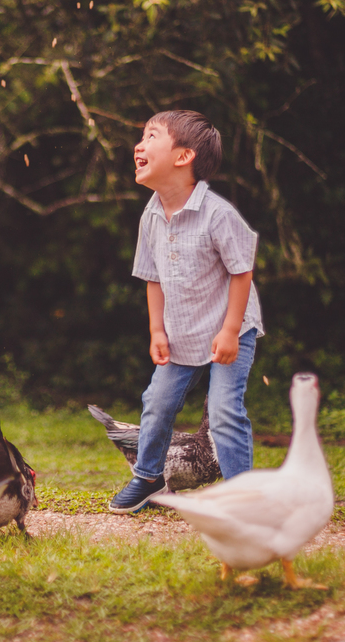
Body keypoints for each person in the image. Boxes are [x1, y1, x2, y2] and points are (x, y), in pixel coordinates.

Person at [110, 110, 264, 513]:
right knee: (157, 402)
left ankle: (241, 497)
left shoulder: (217, 214)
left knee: (225, 411)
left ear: (183, 157)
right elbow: (152, 277)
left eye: (151, 137)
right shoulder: (151, 215)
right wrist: (156, 331)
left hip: (229, 328)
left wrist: (230, 331)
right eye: (140, 137)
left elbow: (241, 272)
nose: (138, 146)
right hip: (180, 333)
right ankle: (148, 479)